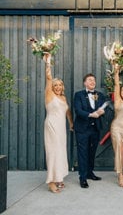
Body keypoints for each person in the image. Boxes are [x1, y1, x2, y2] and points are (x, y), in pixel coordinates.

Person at [43, 52, 73, 193]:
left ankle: (58, 177)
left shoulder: (63, 98)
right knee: (53, 151)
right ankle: (51, 182)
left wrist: (71, 123)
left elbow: (67, 112)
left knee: (60, 151)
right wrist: (48, 62)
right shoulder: (49, 95)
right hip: (52, 125)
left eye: (60, 85)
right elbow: (48, 78)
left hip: (61, 128)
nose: (58, 87)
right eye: (55, 85)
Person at [74, 73, 106, 188]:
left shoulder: (100, 95)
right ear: (85, 83)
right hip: (82, 129)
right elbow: (78, 110)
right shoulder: (78, 95)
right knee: (83, 153)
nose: (92, 82)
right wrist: (90, 114)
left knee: (92, 152)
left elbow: (102, 107)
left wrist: (102, 111)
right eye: (89, 80)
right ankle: (82, 178)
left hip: (95, 128)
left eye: (94, 80)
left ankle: (89, 173)